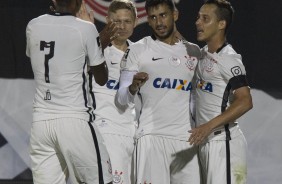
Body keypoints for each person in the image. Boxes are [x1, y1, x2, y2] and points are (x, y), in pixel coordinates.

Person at [26, 0, 116, 183]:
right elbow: (101, 78)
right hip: (74, 121)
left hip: (41, 123)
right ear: (79, 3)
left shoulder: (33, 25)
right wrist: (99, 43)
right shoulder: (85, 29)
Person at [115, 0, 202, 183]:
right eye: (153, 17)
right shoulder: (138, 49)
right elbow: (121, 98)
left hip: (186, 140)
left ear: (175, 15)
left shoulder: (194, 52)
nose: (159, 22)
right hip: (151, 138)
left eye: (163, 15)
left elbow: (199, 98)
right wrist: (132, 87)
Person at [188, 0, 253, 183]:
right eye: (198, 17)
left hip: (224, 144)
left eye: (205, 18)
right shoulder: (202, 54)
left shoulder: (229, 59)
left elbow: (245, 101)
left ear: (221, 24)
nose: (198, 22)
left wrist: (208, 126)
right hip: (205, 143)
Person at [79, 0, 139, 183]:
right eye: (117, 21)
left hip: (132, 132)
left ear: (135, 22)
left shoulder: (141, 52)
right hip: (104, 129)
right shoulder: (97, 48)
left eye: (127, 21)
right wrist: (89, 34)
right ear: (107, 20)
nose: (122, 26)